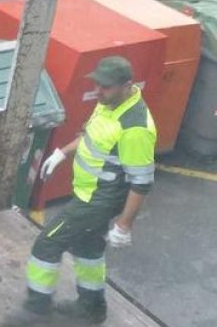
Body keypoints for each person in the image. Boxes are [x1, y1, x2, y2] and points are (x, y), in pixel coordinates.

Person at [24, 56, 156, 323]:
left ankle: (36, 312)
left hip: (98, 200)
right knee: (87, 248)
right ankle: (92, 308)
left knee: (47, 245)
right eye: (96, 84)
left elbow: (142, 182)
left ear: (127, 85)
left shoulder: (135, 128)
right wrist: (62, 152)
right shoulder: (109, 103)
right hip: (88, 192)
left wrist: (124, 225)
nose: (98, 91)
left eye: (105, 87)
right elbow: (90, 136)